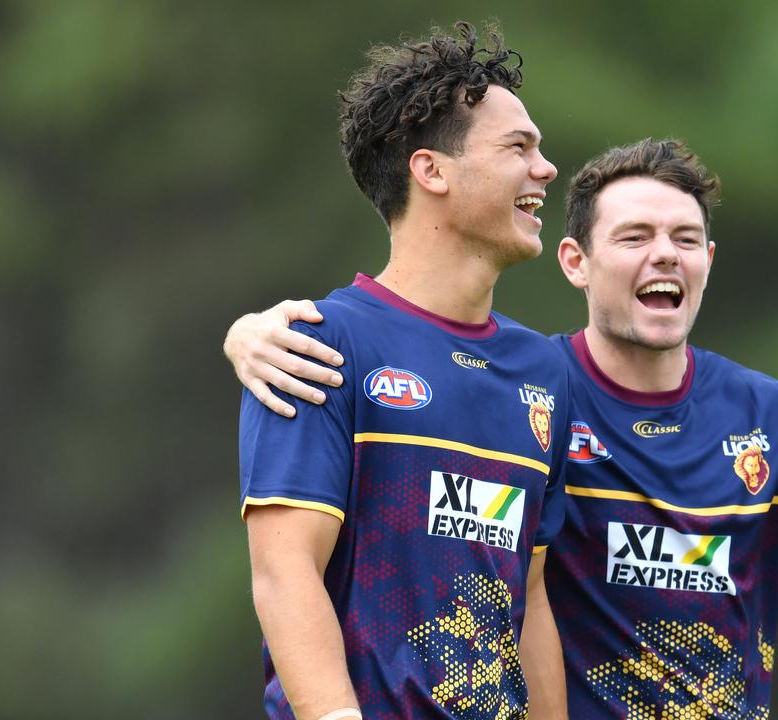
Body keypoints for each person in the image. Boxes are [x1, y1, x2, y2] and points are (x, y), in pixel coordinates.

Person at [228, 139, 778, 717]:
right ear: (575, 262)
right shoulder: (517, 390)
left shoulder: (775, 418)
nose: (665, 254)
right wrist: (254, 334)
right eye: (634, 237)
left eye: (686, 239)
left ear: (708, 261)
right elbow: (402, 367)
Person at [237, 22, 572, 720]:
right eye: (519, 147)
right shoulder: (319, 343)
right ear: (432, 171)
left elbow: (531, 594)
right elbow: (283, 572)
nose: (546, 169)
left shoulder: (543, 369)